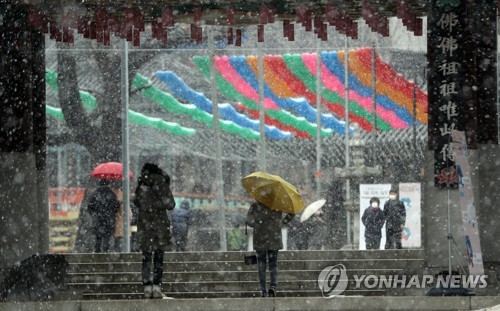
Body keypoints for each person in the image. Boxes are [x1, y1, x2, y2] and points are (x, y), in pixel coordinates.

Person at [134, 163, 176, 299]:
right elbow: (171, 205)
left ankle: (147, 287)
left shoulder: (141, 185)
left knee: (146, 257)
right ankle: (157, 287)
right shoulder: (161, 183)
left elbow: (136, 202)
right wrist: (160, 200)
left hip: (145, 226)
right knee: (159, 257)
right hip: (160, 226)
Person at [246, 201, 295, 297]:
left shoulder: (256, 205)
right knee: (273, 263)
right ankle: (273, 286)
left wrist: (256, 224)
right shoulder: (278, 203)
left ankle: (263, 290)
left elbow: (249, 220)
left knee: (261, 264)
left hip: (260, 237)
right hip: (274, 237)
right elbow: (292, 212)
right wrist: (283, 222)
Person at [88, 179, 120, 253]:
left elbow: (90, 206)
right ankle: (105, 253)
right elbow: (116, 206)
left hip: (97, 219)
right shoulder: (112, 194)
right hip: (108, 219)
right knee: (107, 238)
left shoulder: (95, 194)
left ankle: (97, 253)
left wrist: (94, 214)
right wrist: (111, 213)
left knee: (98, 238)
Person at [113, 186, 133, 252]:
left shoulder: (115, 199)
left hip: (117, 225)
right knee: (122, 243)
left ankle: (117, 254)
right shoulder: (124, 203)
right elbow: (130, 215)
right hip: (124, 226)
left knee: (117, 243)